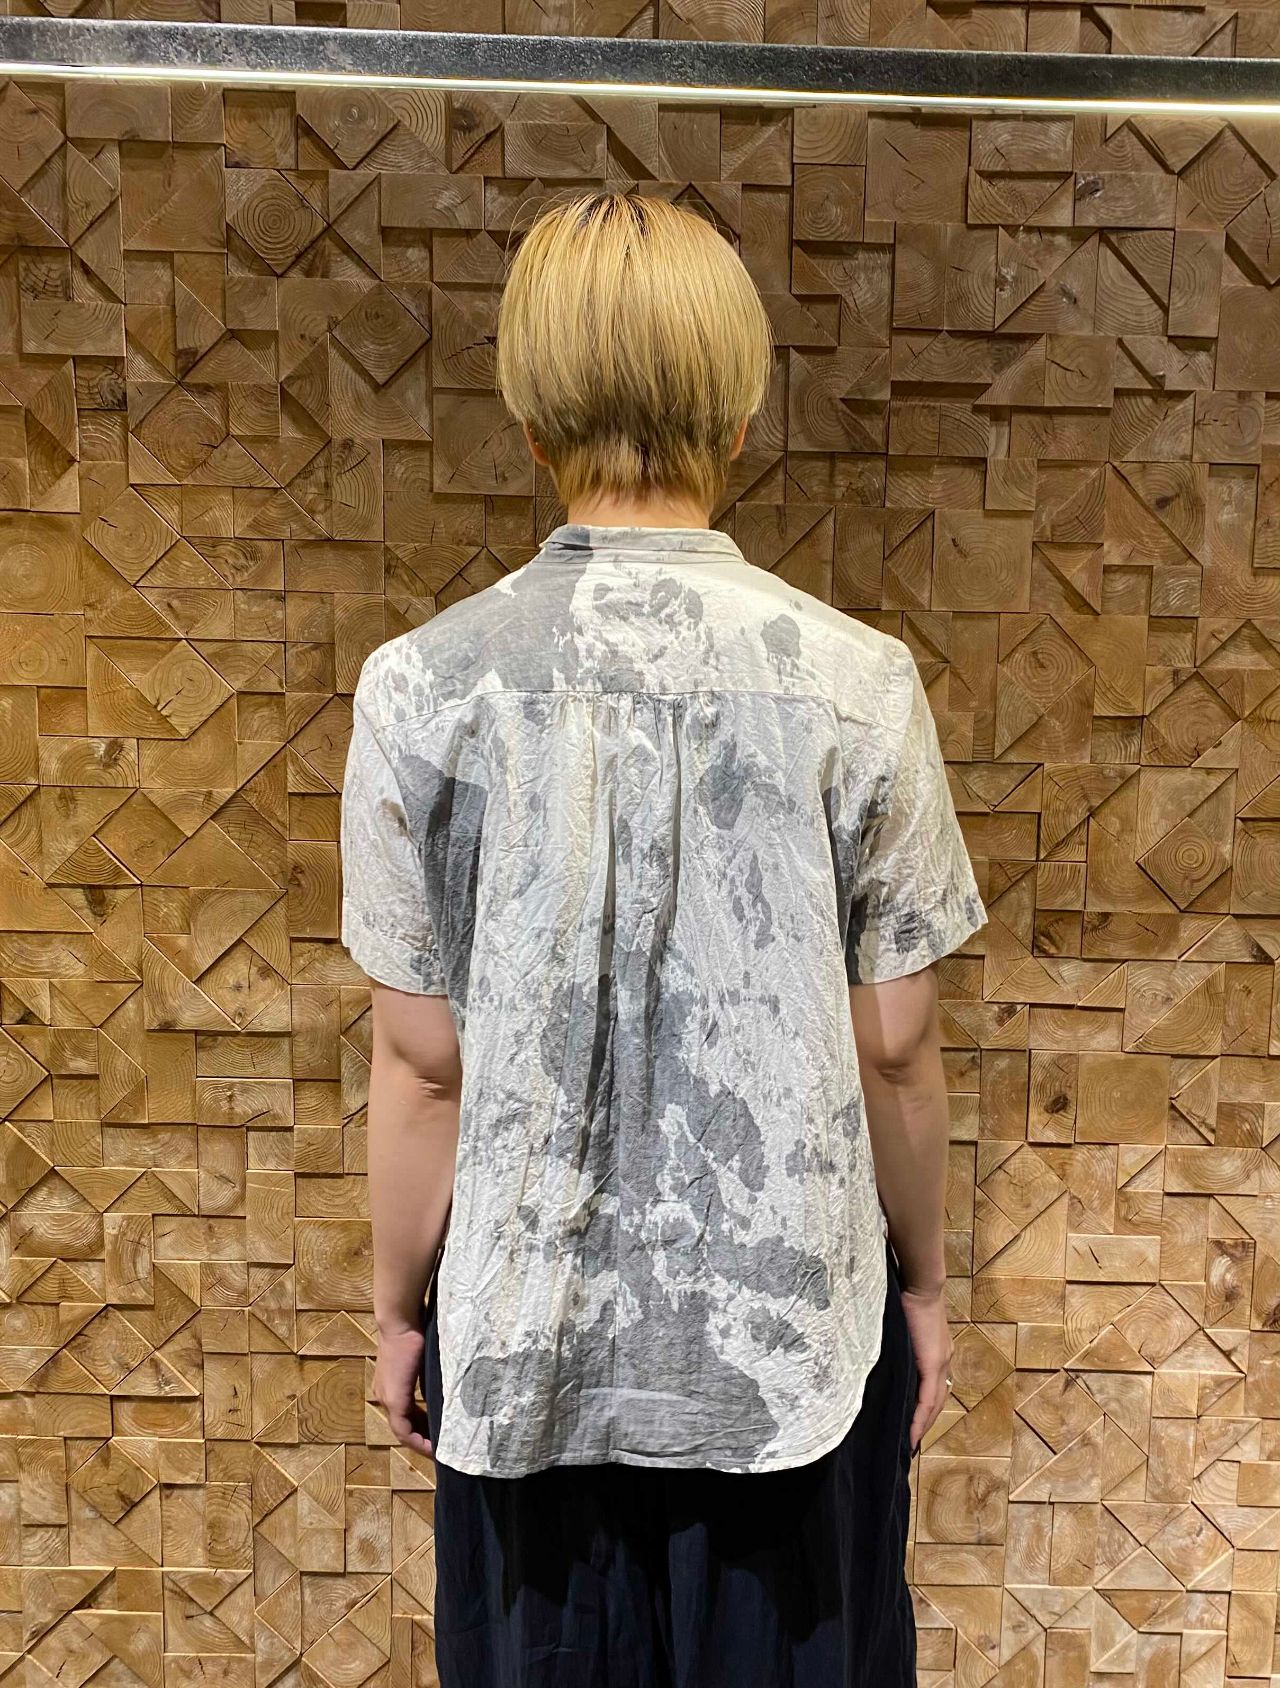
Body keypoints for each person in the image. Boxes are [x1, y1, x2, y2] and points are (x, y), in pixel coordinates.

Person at [340, 191, 985, 1688]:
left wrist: (395, 1313)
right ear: (741, 416)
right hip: (790, 1366)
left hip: (528, 1361)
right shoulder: (858, 683)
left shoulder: (421, 688)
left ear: (529, 421)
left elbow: (421, 1064)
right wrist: (927, 1288)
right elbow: (896, 1045)